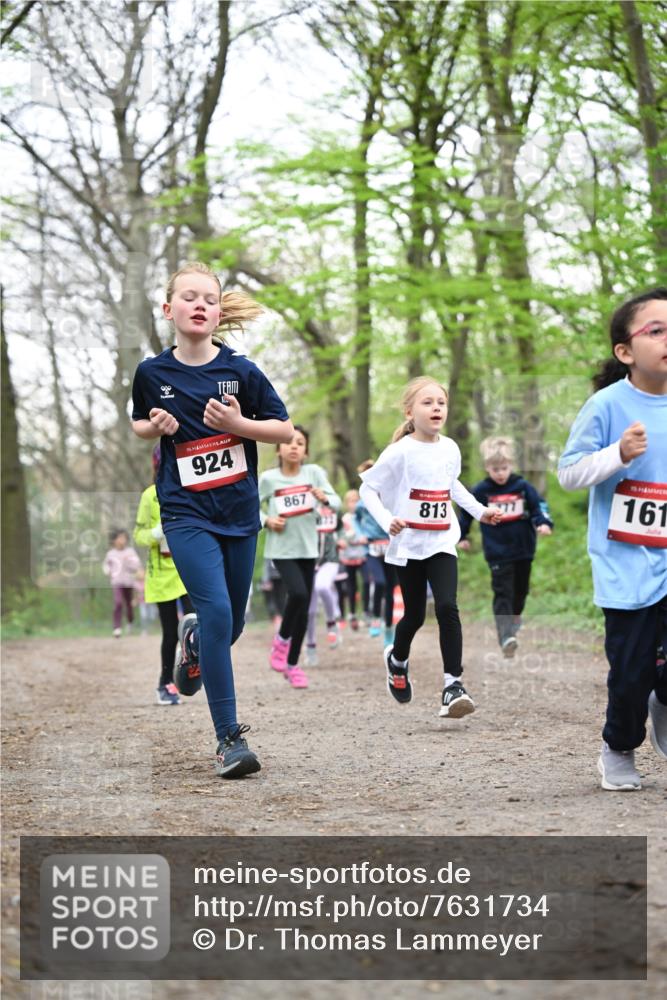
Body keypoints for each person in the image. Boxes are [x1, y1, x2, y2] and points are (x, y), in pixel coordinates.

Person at [131, 261, 293, 778]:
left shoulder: (242, 372)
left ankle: (196, 641)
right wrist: (155, 423)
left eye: (209, 299)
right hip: (184, 512)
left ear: (219, 312)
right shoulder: (153, 373)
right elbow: (138, 422)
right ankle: (229, 740)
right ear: (169, 309)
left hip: (239, 512)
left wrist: (238, 423)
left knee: (232, 622)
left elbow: (284, 430)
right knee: (219, 608)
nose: (200, 304)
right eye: (189, 297)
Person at [558, 287, 667, 791]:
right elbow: (569, 475)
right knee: (631, 672)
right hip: (627, 563)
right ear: (625, 351)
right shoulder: (607, 405)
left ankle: (662, 699)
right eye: (657, 330)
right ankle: (619, 747)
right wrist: (618, 454)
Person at [359, 376, 502, 716]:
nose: (437, 407)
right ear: (410, 411)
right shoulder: (399, 452)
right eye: (428, 402)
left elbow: (452, 486)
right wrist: (387, 521)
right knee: (413, 615)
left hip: (441, 540)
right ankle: (397, 660)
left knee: (447, 607)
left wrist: (480, 512)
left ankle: (453, 685)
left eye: (441, 402)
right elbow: (367, 490)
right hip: (407, 545)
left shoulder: (450, 448)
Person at [259, 426, 341, 688]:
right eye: (288, 442)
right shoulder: (269, 479)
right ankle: (281, 643)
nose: (294, 446)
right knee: (300, 594)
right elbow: (248, 506)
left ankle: (293, 665)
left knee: (304, 611)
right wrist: (267, 520)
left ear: (306, 451)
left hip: (308, 548)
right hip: (281, 549)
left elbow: (336, 502)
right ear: (278, 449)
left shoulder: (313, 473)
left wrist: (324, 497)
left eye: (300, 443)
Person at [458, 436, 553, 657]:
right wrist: (463, 535)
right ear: (487, 468)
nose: (500, 473)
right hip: (497, 552)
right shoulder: (482, 491)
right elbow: (467, 513)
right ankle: (505, 637)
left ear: (511, 465)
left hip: (523, 549)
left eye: (504, 468)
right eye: (495, 469)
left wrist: (544, 523)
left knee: (521, 591)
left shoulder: (522, 487)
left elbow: (539, 507)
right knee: (502, 593)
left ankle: (515, 617)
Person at [133, 444, 195, 705]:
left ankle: (194, 674)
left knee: (195, 626)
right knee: (170, 633)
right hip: (161, 577)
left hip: (189, 571)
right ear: (158, 465)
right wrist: (156, 534)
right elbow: (138, 535)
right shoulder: (150, 496)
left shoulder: (191, 489)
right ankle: (164, 683)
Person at [355, 460, 398, 645]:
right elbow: (355, 520)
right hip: (371, 548)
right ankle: (375, 617)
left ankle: (389, 628)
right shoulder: (362, 501)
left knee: (390, 589)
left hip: (390, 546)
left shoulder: (391, 497)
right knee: (379, 582)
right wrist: (360, 534)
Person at [304, 501, 343, 666]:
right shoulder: (303, 513)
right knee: (310, 611)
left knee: (322, 586)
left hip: (330, 559)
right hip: (308, 562)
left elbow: (342, 528)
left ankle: (331, 622)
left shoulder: (333, 510)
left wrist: (343, 539)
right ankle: (310, 647)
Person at [338, 489, 369, 630]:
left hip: (362, 555)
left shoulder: (363, 517)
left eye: (356, 501)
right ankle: (352, 614)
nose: (354, 504)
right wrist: (352, 537)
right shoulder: (345, 519)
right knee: (351, 586)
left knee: (367, 582)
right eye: (351, 501)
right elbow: (343, 537)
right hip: (348, 557)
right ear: (346, 504)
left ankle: (367, 611)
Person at [102, 529, 141, 637]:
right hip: (117, 582)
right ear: (114, 540)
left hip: (128, 582)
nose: (122, 540)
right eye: (119, 538)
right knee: (118, 603)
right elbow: (106, 566)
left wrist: (129, 562)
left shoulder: (130, 552)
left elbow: (136, 566)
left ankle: (130, 622)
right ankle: (117, 627)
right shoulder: (111, 553)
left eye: (124, 538)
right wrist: (108, 571)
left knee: (129, 605)